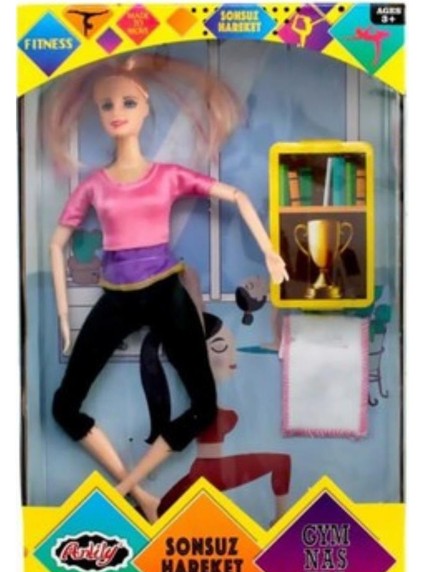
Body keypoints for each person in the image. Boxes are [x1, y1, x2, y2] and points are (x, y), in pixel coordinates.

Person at [44, 53, 288, 523]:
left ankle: (127, 491)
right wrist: (63, 318)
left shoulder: (168, 176)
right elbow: (56, 244)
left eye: (128, 102)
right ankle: (142, 495)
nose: (116, 112)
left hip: (165, 292)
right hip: (116, 296)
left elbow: (236, 195)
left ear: (145, 106)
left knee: (204, 405)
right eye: (106, 104)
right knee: (64, 406)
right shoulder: (95, 186)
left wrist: (270, 252)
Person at [140, 311, 291, 524]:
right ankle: (282, 519)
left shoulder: (208, 404)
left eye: (232, 347)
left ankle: (281, 519)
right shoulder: (202, 409)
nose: (233, 358)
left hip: (212, 468)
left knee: (281, 461)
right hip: (210, 470)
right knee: (160, 510)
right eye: (220, 347)